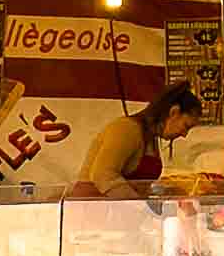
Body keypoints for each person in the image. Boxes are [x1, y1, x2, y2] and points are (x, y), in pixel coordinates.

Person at [72, 82, 202, 197]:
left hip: (117, 213)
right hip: (91, 212)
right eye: (186, 126)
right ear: (174, 112)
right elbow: (102, 174)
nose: (184, 134)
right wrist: (139, 206)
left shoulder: (150, 136)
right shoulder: (127, 128)